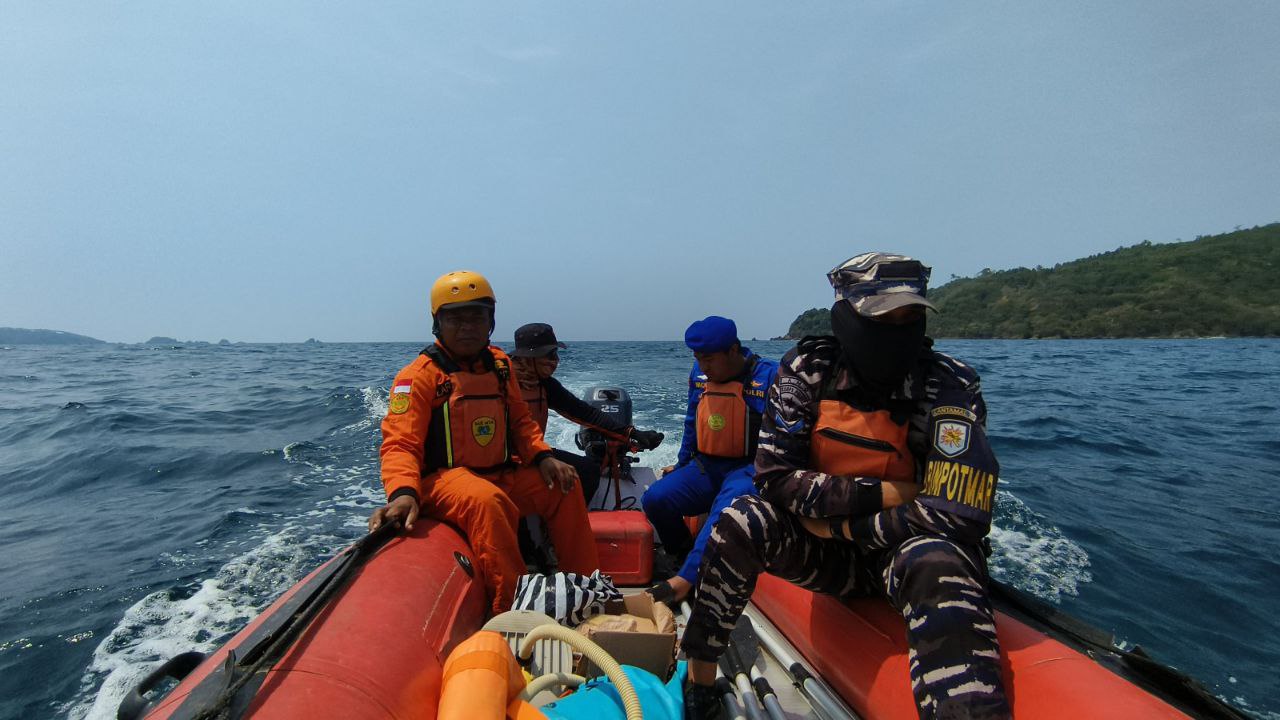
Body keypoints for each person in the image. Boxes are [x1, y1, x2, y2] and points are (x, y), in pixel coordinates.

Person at [681, 253, 1010, 720]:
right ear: (847, 317)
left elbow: (959, 511)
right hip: (826, 555)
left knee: (939, 560)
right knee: (740, 518)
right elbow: (775, 478)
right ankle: (700, 685)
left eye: (909, 317)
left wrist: (837, 527)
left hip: (899, 552)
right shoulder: (808, 371)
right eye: (881, 318)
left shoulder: (950, 384)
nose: (896, 331)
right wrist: (891, 493)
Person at [368, 270, 599, 615]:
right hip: (444, 481)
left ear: (490, 320)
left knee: (564, 484)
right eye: (455, 318)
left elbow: (521, 423)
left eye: (476, 316)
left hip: (499, 473)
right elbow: (400, 443)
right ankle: (512, 610)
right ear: (437, 323)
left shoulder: (501, 366)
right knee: (487, 502)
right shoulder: (418, 376)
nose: (467, 326)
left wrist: (542, 456)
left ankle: (585, 589)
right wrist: (403, 493)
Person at [641, 316, 779, 605]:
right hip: (708, 465)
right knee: (656, 497)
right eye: (698, 358)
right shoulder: (699, 374)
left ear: (733, 350)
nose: (703, 366)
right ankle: (680, 554)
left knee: (727, 506)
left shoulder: (768, 377)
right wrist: (680, 465)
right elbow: (692, 422)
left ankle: (687, 580)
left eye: (709, 359)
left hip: (748, 467)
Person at [510, 322, 664, 505]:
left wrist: (631, 433)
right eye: (550, 354)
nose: (555, 360)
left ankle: (565, 526)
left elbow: (585, 413)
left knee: (588, 471)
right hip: (505, 462)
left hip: (536, 455)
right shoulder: (501, 383)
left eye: (556, 353)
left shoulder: (545, 385)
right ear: (530, 357)